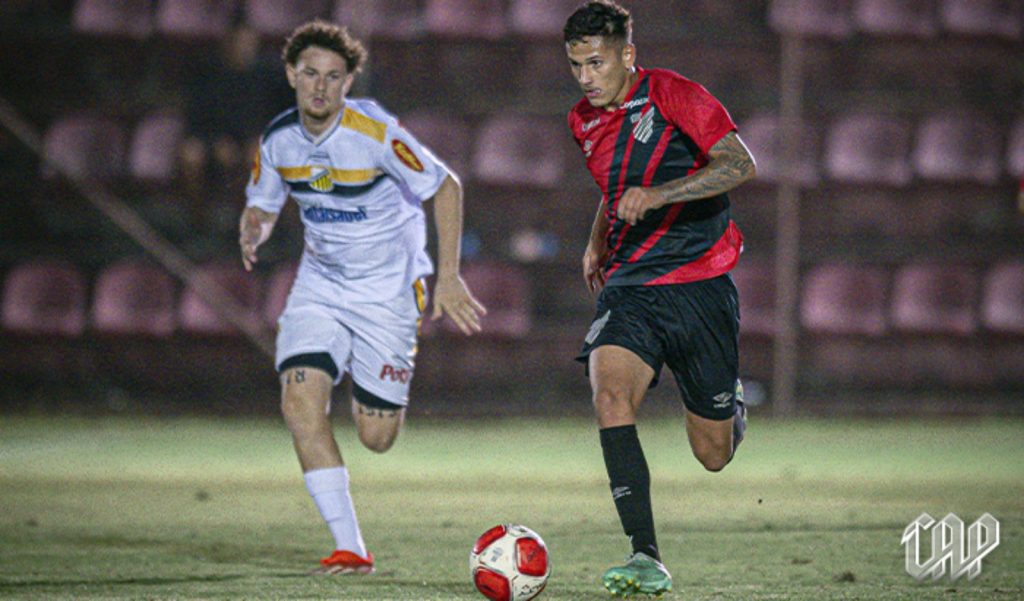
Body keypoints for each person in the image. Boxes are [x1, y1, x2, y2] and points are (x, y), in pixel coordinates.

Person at [239, 20, 485, 575]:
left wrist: (447, 276)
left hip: (389, 292)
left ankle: (373, 379)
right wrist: (254, 223)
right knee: (299, 403)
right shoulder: (278, 139)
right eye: (309, 75)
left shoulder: (374, 131)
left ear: (349, 81)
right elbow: (265, 199)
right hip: (320, 286)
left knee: (375, 437)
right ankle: (351, 546)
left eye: (332, 76)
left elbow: (446, 186)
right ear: (290, 75)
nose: (320, 88)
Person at [563, 2, 757, 596]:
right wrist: (596, 240)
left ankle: (732, 409)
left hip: (700, 286)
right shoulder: (583, 121)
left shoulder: (673, 94)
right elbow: (616, 187)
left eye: (596, 62)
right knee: (609, 395)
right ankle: (645, 554)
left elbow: (739, 164)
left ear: (627, 54)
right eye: (575, 65)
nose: (585, 77)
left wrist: (662, 193)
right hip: (632, 287)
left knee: (714, 455)